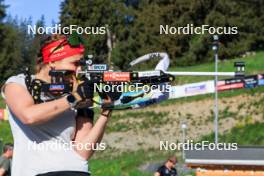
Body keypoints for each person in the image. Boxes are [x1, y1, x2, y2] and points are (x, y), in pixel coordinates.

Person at [1, 34, 112, 176]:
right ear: (53, 61)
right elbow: (28, 116)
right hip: (37, 172)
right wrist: (74, 97)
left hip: (76, 170)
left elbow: (83, 151)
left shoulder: (76, 90)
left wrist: (107, 110)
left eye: (81, 64)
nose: (79, 70)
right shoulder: (18, 83)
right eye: (75, 63)